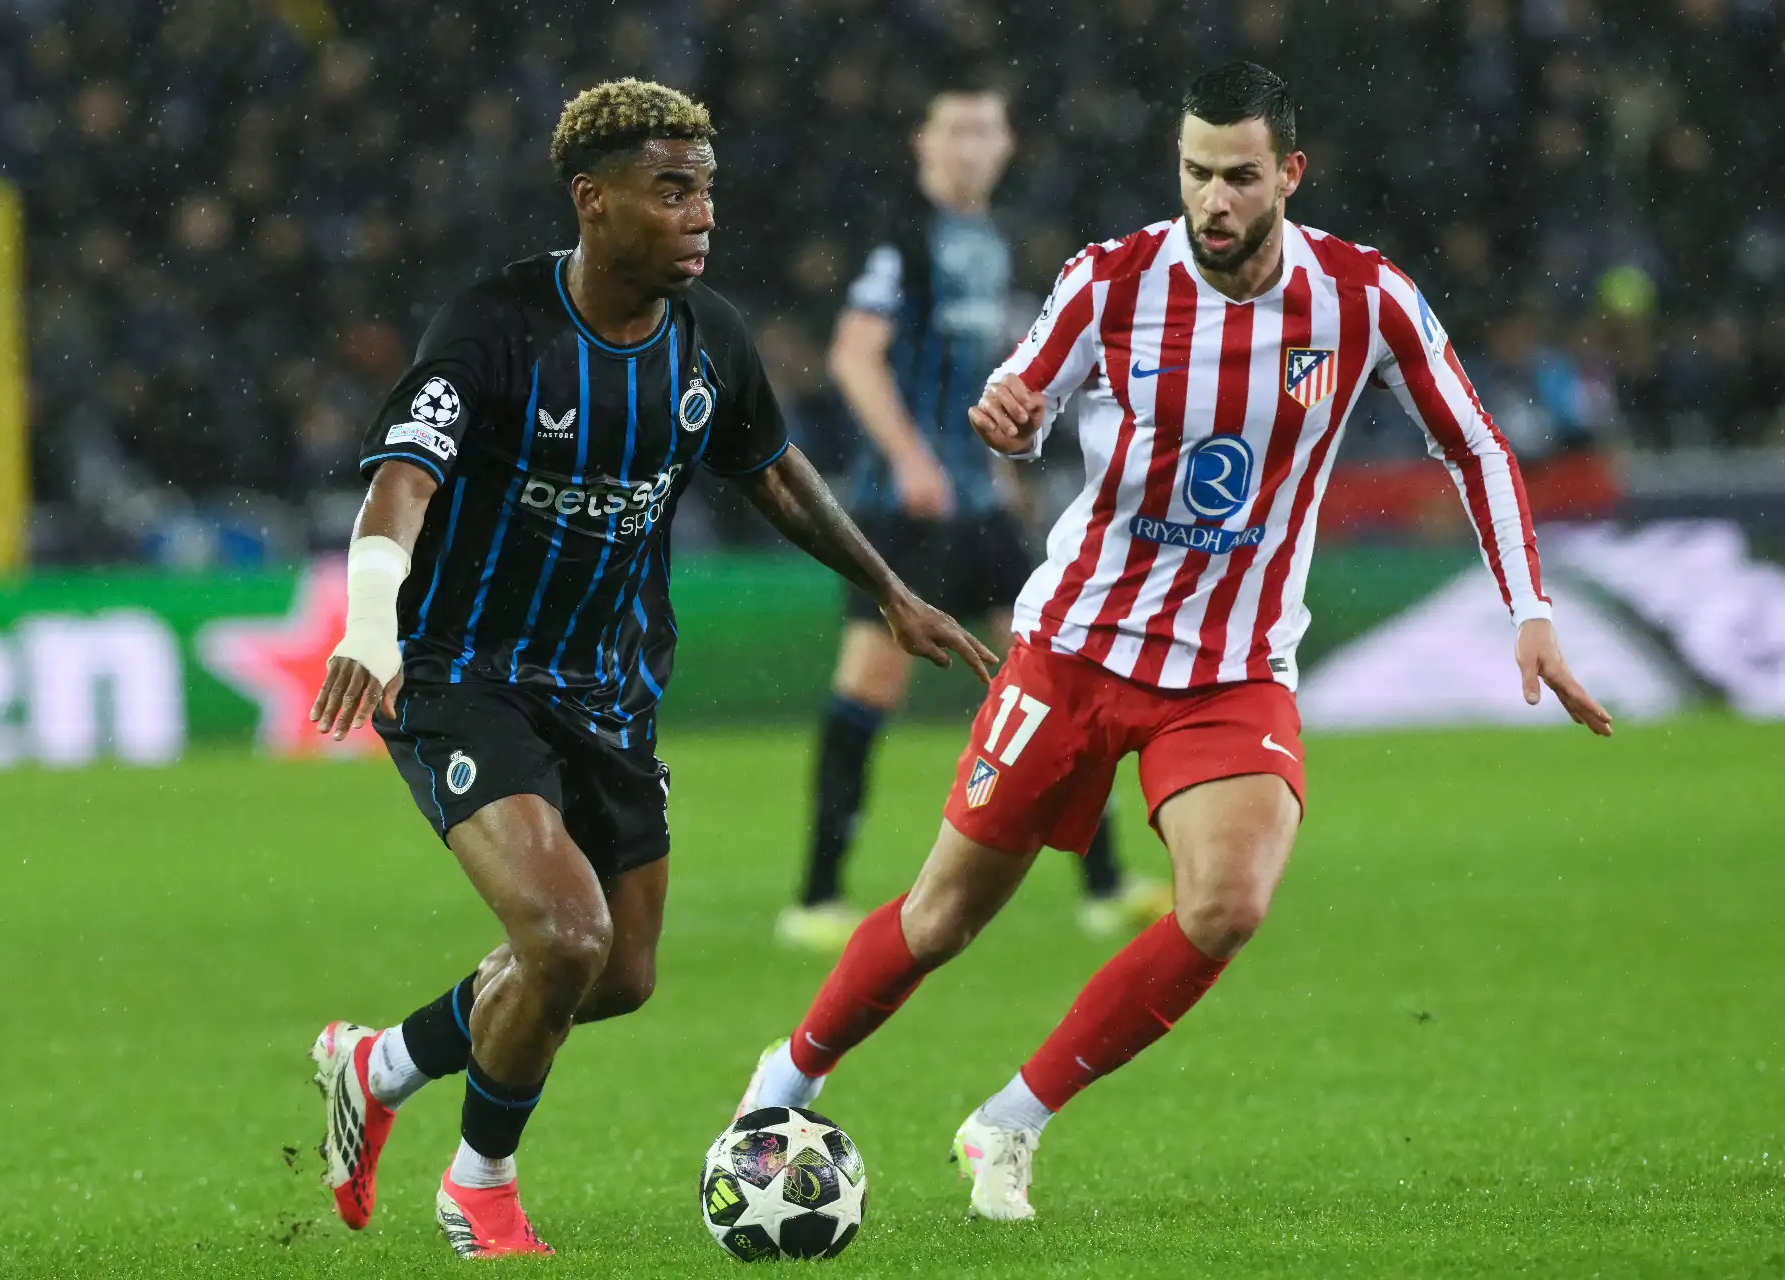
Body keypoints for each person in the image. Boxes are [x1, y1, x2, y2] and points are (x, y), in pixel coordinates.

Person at [734, 61, 1613, 1222]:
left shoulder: (1364, 299)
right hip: (1076, 646)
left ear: (1289, 174)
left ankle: (1009, 1119)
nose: (1215, 199)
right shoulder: (1111, 279)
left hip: (1232, 667)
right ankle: (782, 1081)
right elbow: (1026, 392)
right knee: (944, 915)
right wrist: (1007, 410)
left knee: (1227, 903)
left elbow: (1480, 447)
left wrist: (1531, 610)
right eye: (1197, 171)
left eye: (1241, 176)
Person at [305, 79, 994, 1259]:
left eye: (707, 190)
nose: (700, 214)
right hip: (463, 671)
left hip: (610, 683)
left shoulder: (707, 338)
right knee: (562, 938)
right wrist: (373, 620)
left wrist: (888, 589)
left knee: (615, 972)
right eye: (671, 190)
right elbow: (401, 481)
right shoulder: (495, 328)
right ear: (595, 200)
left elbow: (772, 470)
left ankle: (379, 1064)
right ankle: (480, 1187)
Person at [781, 83, 1171, 953]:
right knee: (869, 688)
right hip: (905, 508)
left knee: (1059, 677)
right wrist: (913, 457)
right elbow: (854, 357)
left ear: (1006, 145)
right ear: (924, 141)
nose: (969, 145)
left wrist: (1007, 474)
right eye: (954, 128)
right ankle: (814, 897)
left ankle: (1104, 886)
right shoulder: (904, 242)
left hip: (982, 504)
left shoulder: (990, 244)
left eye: (985, 129)